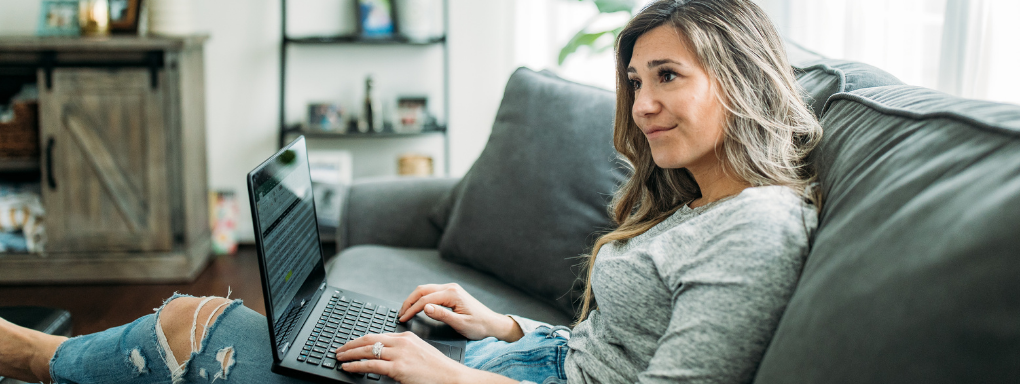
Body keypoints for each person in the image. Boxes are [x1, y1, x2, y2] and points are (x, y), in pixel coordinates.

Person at [0, 0, 823, 383]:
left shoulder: (757, 228)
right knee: (266, 329)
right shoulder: (701, 198)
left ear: (737, 77)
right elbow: (611, 345)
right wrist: (499, 325)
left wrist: (452, 377)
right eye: (636, 79)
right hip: (532, 360)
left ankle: (37, 360)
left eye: (667, 77)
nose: (641, 106)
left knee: (201, 320)